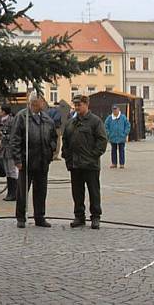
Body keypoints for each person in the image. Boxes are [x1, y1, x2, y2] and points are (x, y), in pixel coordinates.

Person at [11, 91, 57, 228]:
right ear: (32, 103)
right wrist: (17, 159)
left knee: (41, 191)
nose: (40, 105)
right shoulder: (22, 117)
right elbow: (15, 140)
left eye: (41, 102)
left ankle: (40, 216)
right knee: (22, 191)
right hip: (26, 161)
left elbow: (53, 136)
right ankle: (21, 217)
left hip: (43, 160)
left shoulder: (47, 118)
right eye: (37, 103)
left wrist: (51, 150)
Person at [62, 95, 108, 229]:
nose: (77, 107)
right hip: (75, 165)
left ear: (86, 105)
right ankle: (79, 216)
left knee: (94, 192)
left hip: (90, 165)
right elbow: (65, 140)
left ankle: (95, 217)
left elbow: (102, 141)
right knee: (77, 192)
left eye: (79, 105)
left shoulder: (95, 121)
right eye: (75, 105)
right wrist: (67, 157)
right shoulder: (71, 122)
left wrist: (93, 155)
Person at [0, 104, 18, 202]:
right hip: (4, 148)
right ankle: (10, 193)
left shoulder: (11, 120)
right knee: (7, 171)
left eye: (0, 109)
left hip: (10, 148)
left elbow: (15, 135)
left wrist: (5, 135)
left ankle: (14, 193)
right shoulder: (2, 120)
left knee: (11, 170)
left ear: (4, 111)